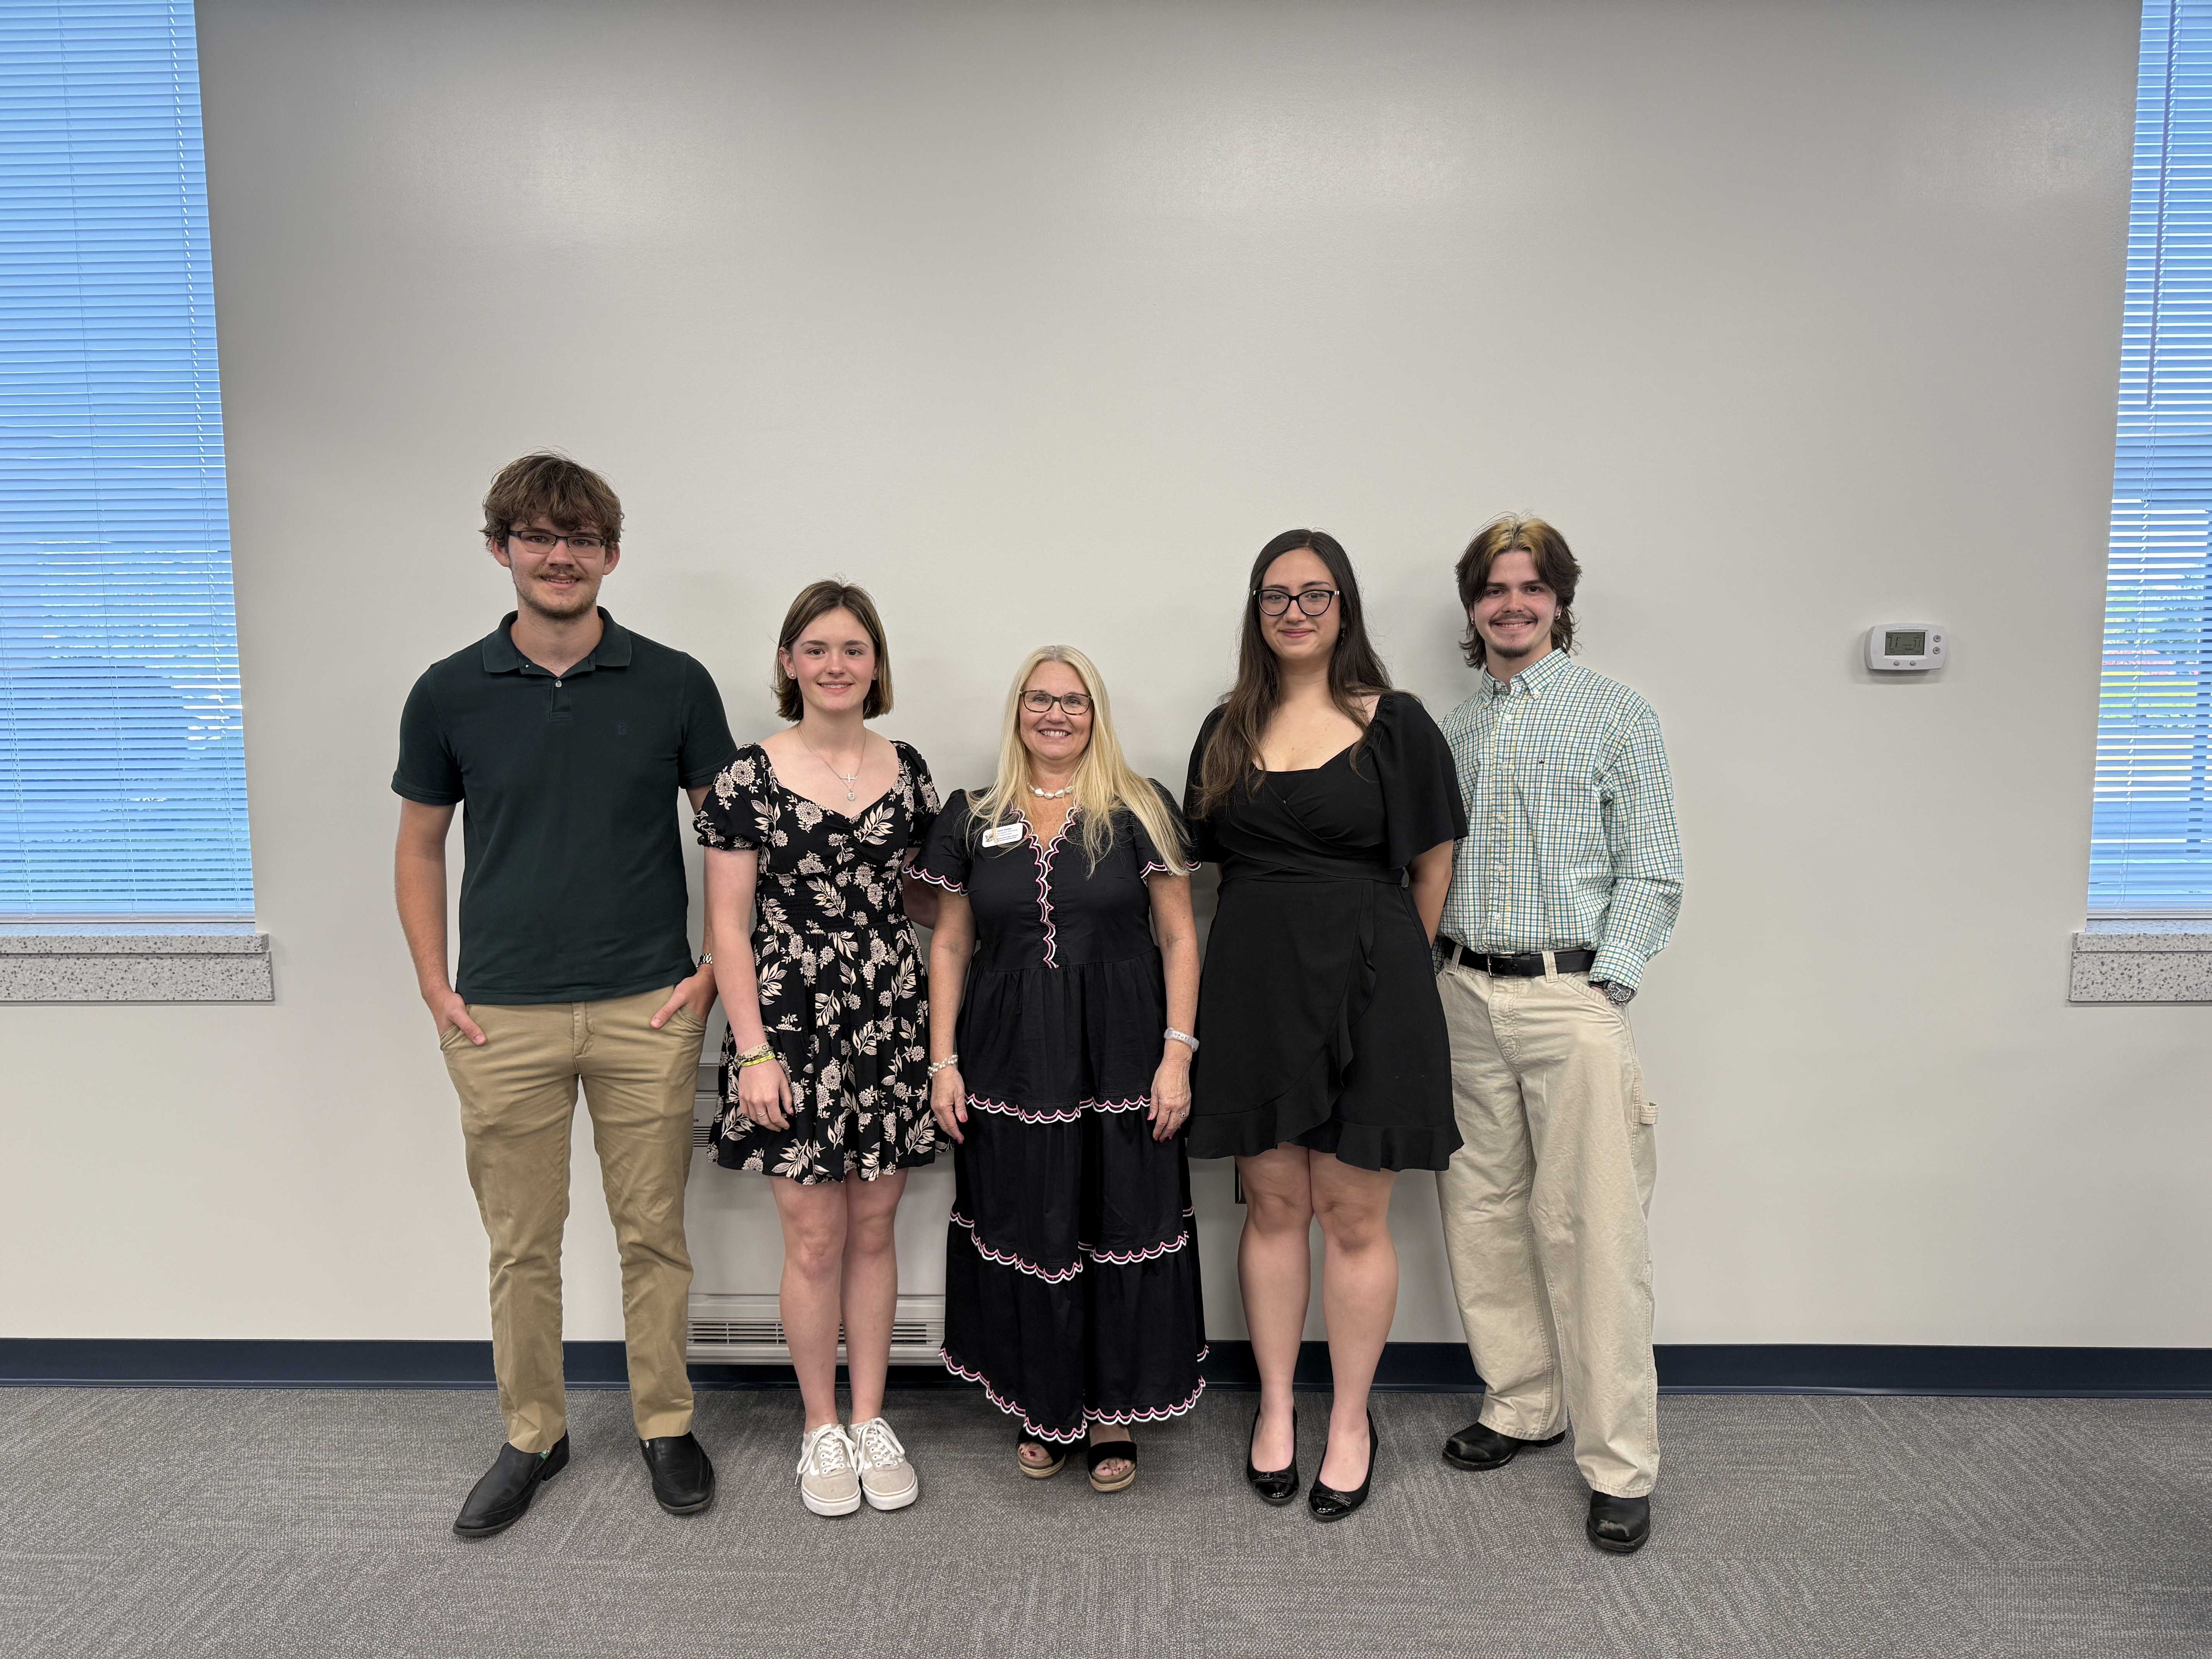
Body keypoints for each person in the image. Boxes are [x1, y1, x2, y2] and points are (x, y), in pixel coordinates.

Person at [393, 453, 735, 1538]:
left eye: (580, 537)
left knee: (655, 1235)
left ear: (610, 555)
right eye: (536, 535)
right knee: (522, 1243)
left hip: (649, 1006)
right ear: (501, 549)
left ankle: (665, 1422)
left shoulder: (675, 681)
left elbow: (729, 841)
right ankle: (534, 1432)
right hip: (500, 1013)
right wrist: (436, 986)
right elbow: (418, 846)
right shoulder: (448, 690)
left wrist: (714, 974)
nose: (558, 554)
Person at [1183, 529, 1467, 1522]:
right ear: (1255, 613)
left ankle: (1349, 1419)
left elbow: (1430, 869)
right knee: (1271, 1209)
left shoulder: (1398, 723)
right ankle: (1274, 1408)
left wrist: (1391, 975)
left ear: (1343, 606)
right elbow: (1204, 870)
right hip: (1254, 987)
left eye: (1315, 594)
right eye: (1275, 596)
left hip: (1372, 983)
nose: (1295, 611)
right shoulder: (1225, 728)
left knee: (1352, 1214)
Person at [1431, 513, 1683, 1556]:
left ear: (1560, 601)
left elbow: (1655, 866)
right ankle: (1523, 1401)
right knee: (1483, 1209)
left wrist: (1604, 986)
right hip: (1462, 993)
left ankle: (1621, 1460)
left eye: (1532, 588)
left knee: (1595, 1228)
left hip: (1569, 997)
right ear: (1473, 605)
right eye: (1495, 589)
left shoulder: (1617, 713)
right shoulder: (1455, 728)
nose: (1513, 604)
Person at [920, 646, 1207, 1495]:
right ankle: (1041, 1400)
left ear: (1097, 713)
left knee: (1118, 1222)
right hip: (1008, 1054)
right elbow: (949, 941)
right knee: (1028, 1223)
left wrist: (1178, 1053)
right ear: (1017, 711)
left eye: (1075, 701)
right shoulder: (973, 814)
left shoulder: (1140, 807)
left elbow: (1182, 936)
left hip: (1121, 1053)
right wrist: (944, 1062)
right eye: (1040, 699)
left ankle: (1112, 1409)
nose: (1057, 714)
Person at [696, 580, 940, 1519]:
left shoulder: (907, 767)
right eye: (817, 649)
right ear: (790, 663)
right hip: (789, 1018)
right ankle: (818, 1427)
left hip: (888, 1010)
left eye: (853, 649)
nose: (836, 665)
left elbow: (923, 899)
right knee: (814, 1236)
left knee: (875, 1229)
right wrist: (752, 1055)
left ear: (875, 664)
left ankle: (873, 1419)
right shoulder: (747, 778)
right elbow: (726, 927)